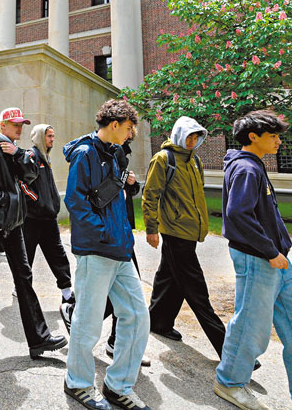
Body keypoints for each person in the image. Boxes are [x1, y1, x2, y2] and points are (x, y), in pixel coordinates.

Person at [215, 110, 292, 410]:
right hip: (259, 259)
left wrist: (278, 252)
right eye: (274, 136)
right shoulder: (246, 169)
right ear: (253, 137)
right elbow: (236, 215)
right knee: (250, 328)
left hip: (278, 261)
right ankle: (229, 382)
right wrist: (270, 251)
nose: (279, 141)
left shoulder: (254, 166)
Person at [63, 99, 149, 410]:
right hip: (97, 250)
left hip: (119, 250)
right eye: (128, 128)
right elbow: (76, 201)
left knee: (138, 317)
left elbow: (113, 201)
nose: (130, 134)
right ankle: (78, 383)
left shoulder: (113, 155)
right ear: (115, 124)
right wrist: (104, 233)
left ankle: (117, 386)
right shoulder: (87, 154)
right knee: (88, 323)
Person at [0, 108, 65, 360]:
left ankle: (39, 339)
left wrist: (19, 154)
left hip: (14, 225)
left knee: (24, 278)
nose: (19, 128)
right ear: (3, 125)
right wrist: (6, 200)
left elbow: (32, 175)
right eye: (15, 124)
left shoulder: (13, 152)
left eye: (22, 124)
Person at [142, 117, 230, 360]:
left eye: (196, 137)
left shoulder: (195, 160)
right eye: (189, 136)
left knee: (168, 278)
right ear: (179, 135)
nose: (192, 141)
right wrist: (151, 228)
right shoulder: (163, 159)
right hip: (175, 231)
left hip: (190, 231)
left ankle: (157, 322)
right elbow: (150, 195)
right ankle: (229, 351)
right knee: (196, 290)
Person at [23, 124, 74, 307]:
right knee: (26, 255)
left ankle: (67, 293)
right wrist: (38, 202)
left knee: (57, 253)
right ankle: (21, 287)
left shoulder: (46, 158)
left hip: (48, 218)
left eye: (53, 136)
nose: (52, 139)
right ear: (39, 137)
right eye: (49, 136)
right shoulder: (31, 157)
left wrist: (50, 205)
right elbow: (22, 185)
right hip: (32, 219)